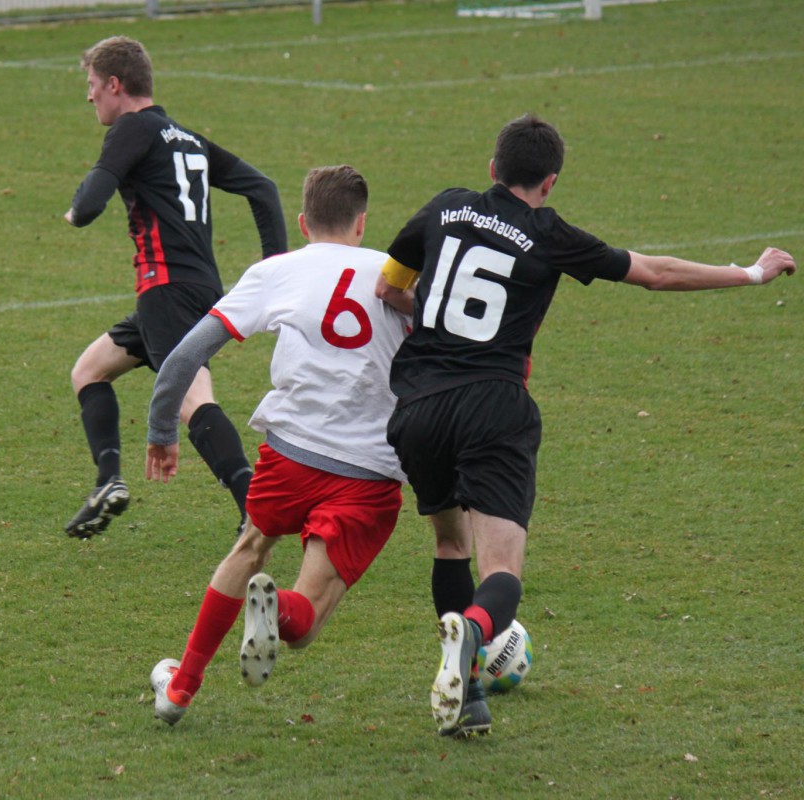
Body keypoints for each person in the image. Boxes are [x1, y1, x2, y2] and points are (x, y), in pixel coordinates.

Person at [375, 112, 796, 738]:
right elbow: (654, 273)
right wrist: (751, 273)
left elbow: (390, 288)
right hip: (493, 405)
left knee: (448, 542)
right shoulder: (550, 234)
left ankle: (468, 699)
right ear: (549, 183)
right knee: (502, 576)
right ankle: (472, 637)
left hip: (415, 411)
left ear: (492, 169)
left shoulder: (444, 207)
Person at [144, 165, 413, 725]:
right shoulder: (398, 274)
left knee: (249, 548)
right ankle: (277, 611)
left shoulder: (276, 271)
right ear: (362, 223)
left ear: (302, 221)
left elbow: (184, 358)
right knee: (305, 623)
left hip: (289, 455)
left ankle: (181, 689)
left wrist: (162, 431)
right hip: (368, 467)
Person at [62, 35, 288, 540]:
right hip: (195, 288)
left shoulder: (132, 128)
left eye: (93, 85)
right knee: (90, 371)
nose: (90, 96)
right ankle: (108, 482)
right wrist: (276, 265)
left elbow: (95, 194)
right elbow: (264, 189)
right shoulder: (184, 137)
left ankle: (255, 508)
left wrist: (77, 212)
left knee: (190, 399)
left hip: (165, 289)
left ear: (115, 85)